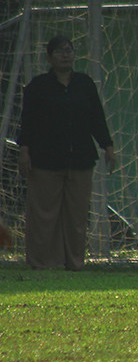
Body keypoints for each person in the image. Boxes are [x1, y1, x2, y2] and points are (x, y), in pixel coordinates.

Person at [17, 35, 116, 270]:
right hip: (45, 161)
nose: (65, 55)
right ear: (49, 57)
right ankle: (41, 262)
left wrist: (108, 146)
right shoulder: (38, 87)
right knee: (44, 215)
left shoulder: (85, 84)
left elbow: (97, 119)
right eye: (60, 51)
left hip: (80, 159)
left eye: (69, 50)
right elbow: (27, 123)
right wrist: (24, 151)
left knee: (77, 216)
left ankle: (74, 262)